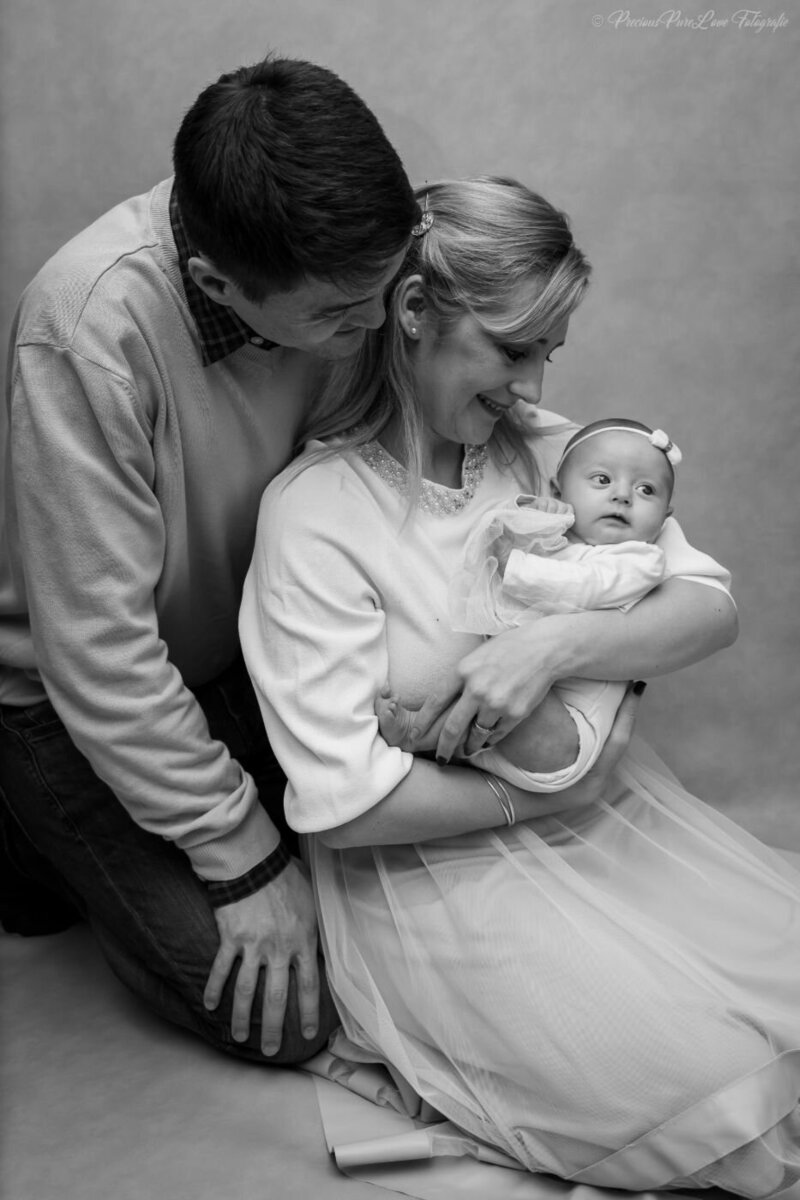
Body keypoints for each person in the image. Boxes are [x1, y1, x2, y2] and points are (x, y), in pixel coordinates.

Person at [241, 177, 800, 1195]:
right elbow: (343, 807)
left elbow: (708, 606)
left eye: (548, 350)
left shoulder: (543, 452)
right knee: (704, 1084)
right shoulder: (313, 518)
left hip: (610, 823)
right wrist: (546, 788)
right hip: (428, 881)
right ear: (413, 316)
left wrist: (549, 650)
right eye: (512, 349)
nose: (535, 384)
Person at [0, 53, 419, 1064]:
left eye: (384, 292)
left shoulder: (353, 267)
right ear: (213, 282)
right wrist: (238, 856)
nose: (374, 331)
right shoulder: (87, 329)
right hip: (71, 696)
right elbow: (98, 652)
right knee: (295, 1015)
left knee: (412, 913)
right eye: (334, 317)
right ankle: (29, 828)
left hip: (238, 654)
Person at [381, 416, 730, 793]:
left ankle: (420, 735)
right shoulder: (561, 541)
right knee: (477, 700)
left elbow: (585, 588)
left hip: (570, 730)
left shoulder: (640, 561)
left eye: (646, 490)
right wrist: (530, 524)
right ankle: (420, 735)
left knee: (496, 701)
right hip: (521, 722)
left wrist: (514, 565)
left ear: (665, 518)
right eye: (602, 480)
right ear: (558, 490)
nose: (623, 495)